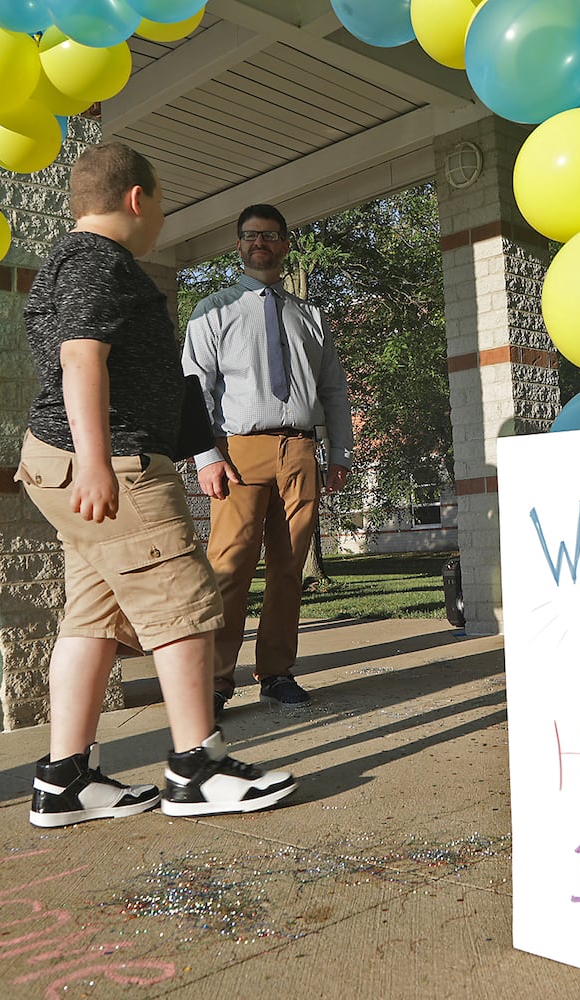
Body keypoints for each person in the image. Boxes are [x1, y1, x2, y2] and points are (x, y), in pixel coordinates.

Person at [17, 143, 296, 827]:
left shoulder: (66, 262)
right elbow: (82, 358)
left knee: (94, 617)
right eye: (162, 202)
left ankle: (66, 781)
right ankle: (195, 768)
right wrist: (95, 460)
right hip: (111, 465)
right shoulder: (96, 262)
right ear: (138, 199)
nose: (161, 216)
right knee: (185, 603)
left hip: (72, 461)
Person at [182, 204, 354, 717]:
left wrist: (339, 450)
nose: (261, 242)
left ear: (284, 244)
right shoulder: (213, 311)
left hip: (300, 451)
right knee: (230, 567)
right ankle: (214, 680)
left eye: (271, 235)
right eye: (251, 235)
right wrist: (206, 457)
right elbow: (194, 390)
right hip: (239, 453)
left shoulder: (310, 317)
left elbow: (334, 389)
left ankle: (276, 673)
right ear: (238, 245)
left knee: (288, 568)